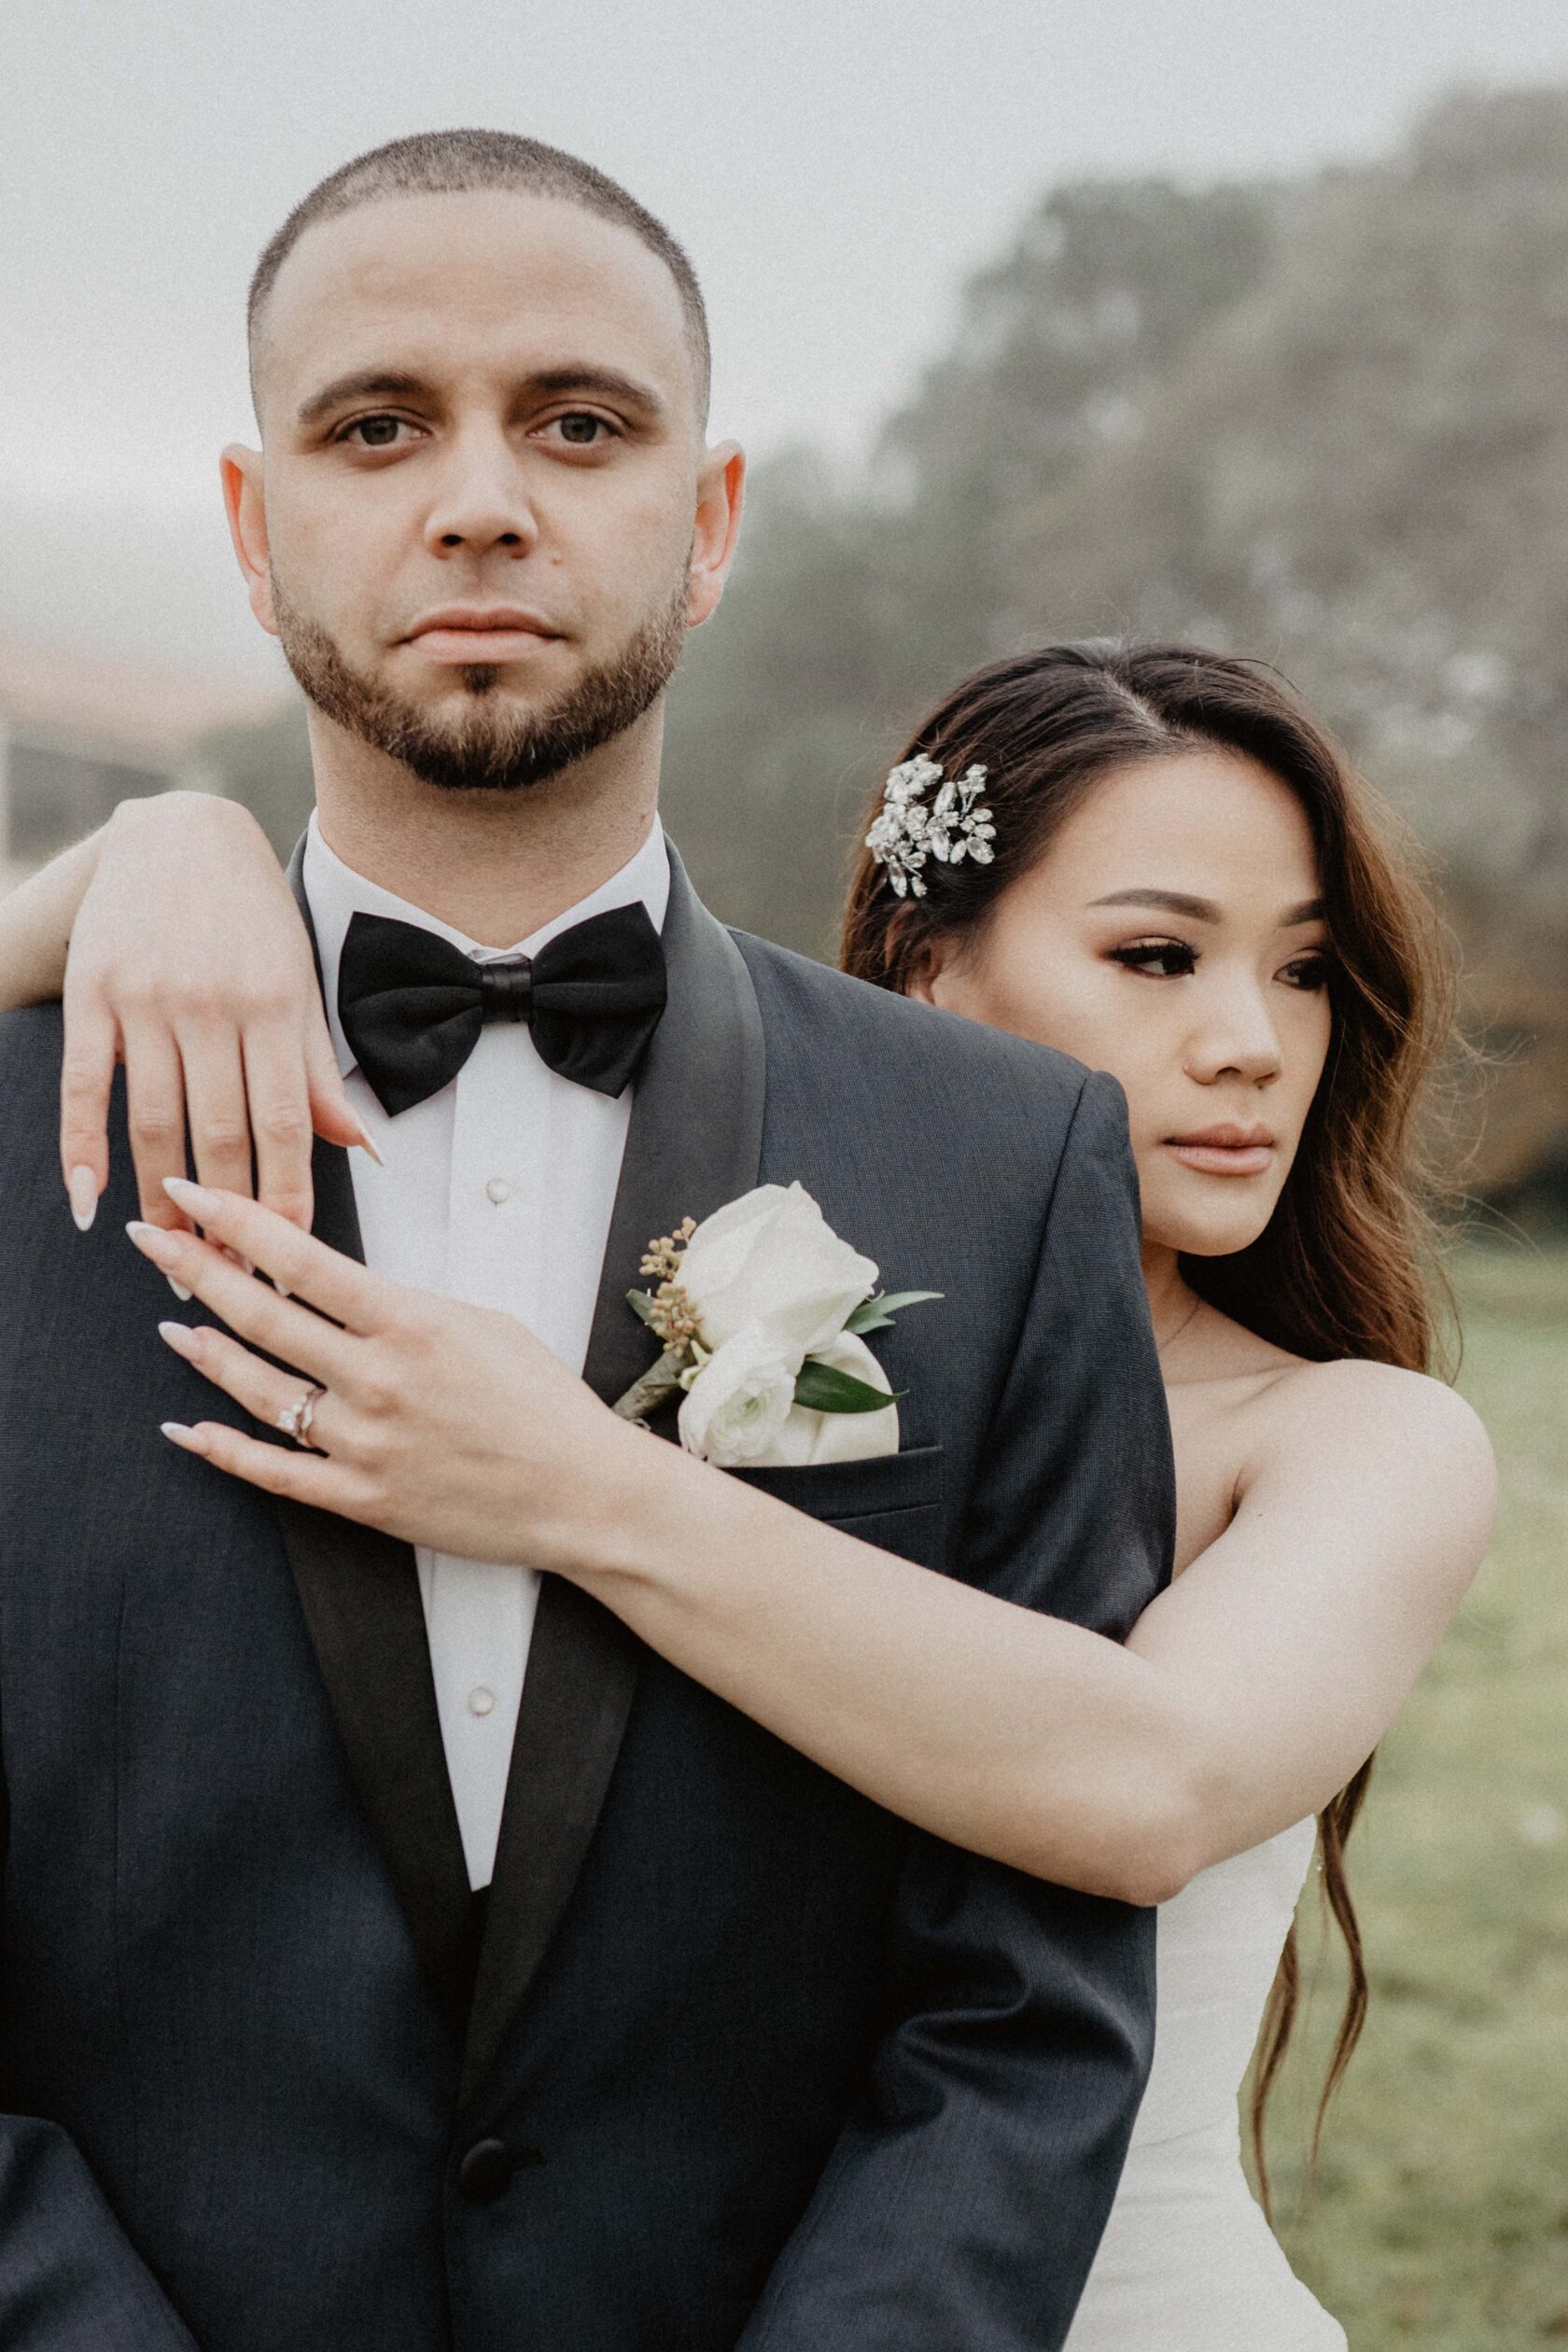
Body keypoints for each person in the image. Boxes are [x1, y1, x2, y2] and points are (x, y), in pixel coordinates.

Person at [0, 133, 1175, 2352]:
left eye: (578, 421)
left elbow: (1020, 1998)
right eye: (376, 426)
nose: (478, 499)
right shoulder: (7, 1130)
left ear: (709, 522)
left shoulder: (1013, 1168)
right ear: (254, 536)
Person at [4, 637, 1496, 2347]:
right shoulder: (656, 1248)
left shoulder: (1366, 1439)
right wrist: (145, 855)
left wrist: (578, 1480)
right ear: (925, 980)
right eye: (1158, 955)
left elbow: (1151, 1784)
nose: (1248, 1043)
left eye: (1306, 974)